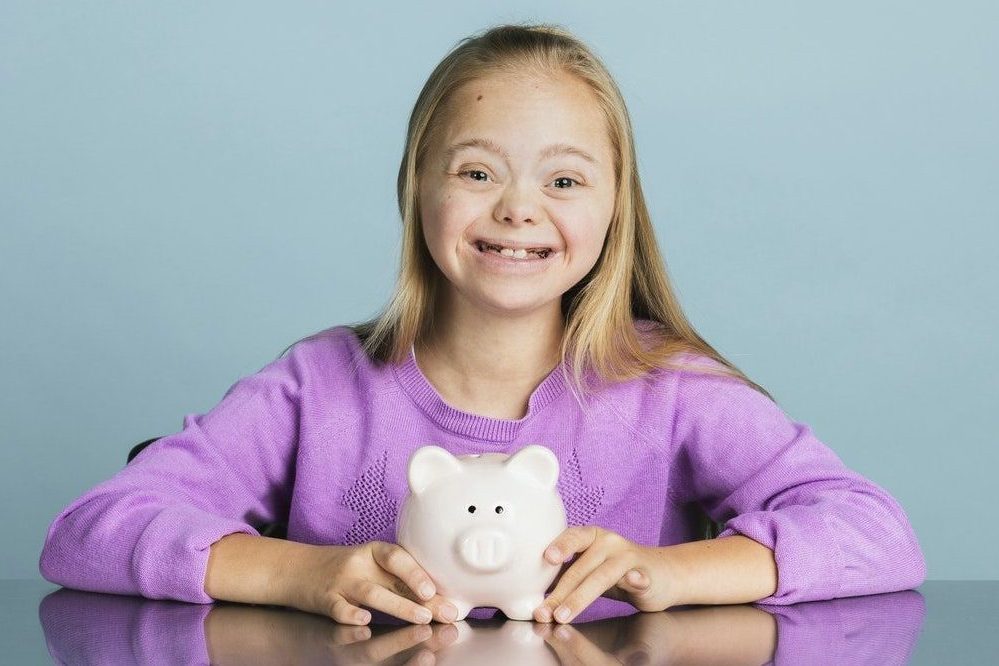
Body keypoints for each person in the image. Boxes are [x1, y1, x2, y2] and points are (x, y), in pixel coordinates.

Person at [39, 23, 927, 627]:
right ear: (415, 190)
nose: (517, 210)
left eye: (564, 180)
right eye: (475, 172)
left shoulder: (671, 388)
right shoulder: (318, 387)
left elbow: (877, 533)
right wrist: (300, 573)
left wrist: (671, 572)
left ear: (616, 209)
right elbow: (88, 530)